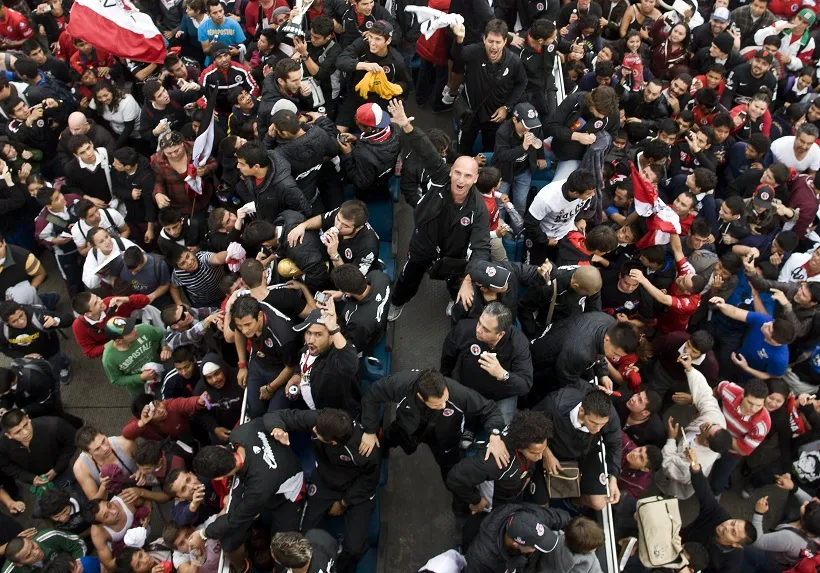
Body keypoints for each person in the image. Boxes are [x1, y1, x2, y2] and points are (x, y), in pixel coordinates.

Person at [384, 100, 490, 322]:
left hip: (454, 253)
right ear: (451, 171)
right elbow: (425, 148)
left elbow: (481, 247)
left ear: (476, 178)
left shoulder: (478, 208)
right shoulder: (441, 176)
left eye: (468, 176)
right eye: (458, 173)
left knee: (455, 282)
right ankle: (397, 302)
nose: (461, 180)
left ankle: (454, 297)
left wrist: (469, 280)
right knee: (409, 277)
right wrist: (406, 125)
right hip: (424, 243)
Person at [265, 408, 380, 573]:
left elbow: (369, 483)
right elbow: (276, 415)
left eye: (318, 433)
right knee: (302, 536)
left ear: (333, 442)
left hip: (358, 491)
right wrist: (276, 428)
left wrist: (343, 502)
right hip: (326, 480)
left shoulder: (367, 451)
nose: (313, 431)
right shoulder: (320, 420)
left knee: (354, 549)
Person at [187, 418, 304, 571]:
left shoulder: (257, 490)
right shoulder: (240, 432)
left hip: (289, 495)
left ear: (218, 478)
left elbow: (235, 518)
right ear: (220, 447)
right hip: (266, 479)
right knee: (230, 541)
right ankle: (245, 567)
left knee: (284, 551)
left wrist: (202, 535)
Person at [360, 369, 508, 482]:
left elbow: (490, 409)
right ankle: (381, 453)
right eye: (437, 404)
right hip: (406, 427)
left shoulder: (457, 393)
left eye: (446, 400)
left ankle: (454, 488)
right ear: (420, 396)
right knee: (387, 439)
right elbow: (373, 394)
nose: (444, 406)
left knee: (449, 466)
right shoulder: (401, 384)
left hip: (445, 437)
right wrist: (369, 430)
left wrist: (495, 435)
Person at [440, 302, 532, 424]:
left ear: (500, 334)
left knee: (500, 430)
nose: (478, 330)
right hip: (468, 386)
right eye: (479, 323)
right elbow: (448, 356)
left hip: (501, 395)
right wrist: (444, 382)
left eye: (486, 330)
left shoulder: (519, 345)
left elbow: (525, 384)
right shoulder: (464, 329)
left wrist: (503, 374)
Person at [656, 354, 731, 499]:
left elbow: (667, 465)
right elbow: (705, 395)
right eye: (713, 425)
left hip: (674, 483)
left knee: (668, 490)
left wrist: (671, 439)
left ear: (707, 443)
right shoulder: (717, 420)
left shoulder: (694, 464)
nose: (708, 422)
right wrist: (690, 369)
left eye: (708, 428)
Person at [536, 386, 622, 511]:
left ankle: (572, 502)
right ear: (582, 411)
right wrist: (546, 454)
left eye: (602, 425)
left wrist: (613, 477)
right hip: (552, 448)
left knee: (599, 503)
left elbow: (614, 444)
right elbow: (532, 426)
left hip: (586, 450)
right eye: (593, 423)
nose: (598, 429)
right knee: (541, 506)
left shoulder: (608, 414)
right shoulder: (554, 406)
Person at [451, 19, 527, 155]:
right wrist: (459, 38)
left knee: (490, 149)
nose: (494, 47)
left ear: (505, 42)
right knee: (463, 148)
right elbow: (457, 55)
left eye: (498, 42)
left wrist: (507, 107)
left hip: (494, 117)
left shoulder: (514, 61)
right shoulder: (475, 51)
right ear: (484, 39)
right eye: (490, 41)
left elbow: (522, 83)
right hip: (470, 113)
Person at [681, 447, 759, 573]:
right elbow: (706, 494)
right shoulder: (719, 515)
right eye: (732, 522)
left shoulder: (731, 562)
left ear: (736, 545)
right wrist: (695, 466)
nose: (727, 526)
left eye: (733, 532)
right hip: (678, 541)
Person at [228, 294, 300, 418]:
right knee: (255, 411)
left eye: (248, 325)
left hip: (281, 371)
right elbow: (238, 332)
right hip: (258, 363)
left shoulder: (284, 335)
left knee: (272, 418)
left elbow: (290, 367)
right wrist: (242, 365)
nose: (245, 330)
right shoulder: (242, 317)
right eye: (241, 325)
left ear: (260, 316)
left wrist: (270, 388)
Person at [288, 303, 361, 415]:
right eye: (308, 333)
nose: (310, 340)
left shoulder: (336, 359)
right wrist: (298, 374)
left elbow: (350, 366)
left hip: (331, 418)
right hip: (312, 405)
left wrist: (333, 329)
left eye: (318, 334)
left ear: (331, 337)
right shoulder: (311, 346)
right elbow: (303, 359)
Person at [464, 502, 570, 573]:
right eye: (534, 546)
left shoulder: (533, 516)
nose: (535, 549)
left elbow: (558, 517)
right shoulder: (483, 558)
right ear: (516, 544)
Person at [285, 200, 380, 276]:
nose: (338, 226)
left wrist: (334, 254)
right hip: (332, 257)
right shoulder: (341, 213)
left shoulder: (369, 246)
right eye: (338, 219)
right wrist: (303, 225)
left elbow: (352, 280)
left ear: (358, 228)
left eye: (345, 226)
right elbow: (321, 219)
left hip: (348, 273)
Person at [524, 169, 597, 266]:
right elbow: (529, 223)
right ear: (575, 193)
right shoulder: (547, 198)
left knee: (555, 264)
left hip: (564, 235)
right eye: (588, 193)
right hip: (542, 236)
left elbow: (582, 204)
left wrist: (579, 218)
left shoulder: (586, 191)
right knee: (537, 267)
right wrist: (545, 240)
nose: (592, 195)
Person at [0, 410, 76, 490]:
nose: (25, 432)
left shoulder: (54, 425)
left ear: (28, 418)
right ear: (9, 435)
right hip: (36, 480)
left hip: (64, 470)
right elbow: (5, 465)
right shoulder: (2, 445)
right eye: (18, 432)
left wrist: (57, 468)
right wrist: (29, 478)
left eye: (26, 425)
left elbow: (72, 442)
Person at [328, 264, 390, 355]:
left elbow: (352, 348)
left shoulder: (358, 321)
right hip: (379, 321)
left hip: (366, 339)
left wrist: (332, 324)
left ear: (348, 293)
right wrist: (342, 296)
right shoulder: (378, 276)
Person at [101, 317, 172, 395]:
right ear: (119, 340)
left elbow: (162, 334)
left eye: (132, 326)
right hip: (140, 390)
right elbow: (116, 380)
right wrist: (140, 377)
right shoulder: (109, 358)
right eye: (130, 331)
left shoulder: (144, 329)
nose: (135, 330)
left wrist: (165, 347)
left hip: (163, 371)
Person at [72, 426, 137, 502]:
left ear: (104, 435)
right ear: (88, 453)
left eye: (103, 441)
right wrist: (103, 487)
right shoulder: (80, 468)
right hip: (113, 499)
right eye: (97, 449)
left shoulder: (126, 444)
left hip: (140, 483)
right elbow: (96, 504)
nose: (105, 448)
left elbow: (149, 464)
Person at [1, 529, 86, 573]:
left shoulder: (51, 536)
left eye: (33, 546)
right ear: (18, 564)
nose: (37, 552)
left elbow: (78, 544)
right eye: (28, 556)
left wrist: (77, 564)